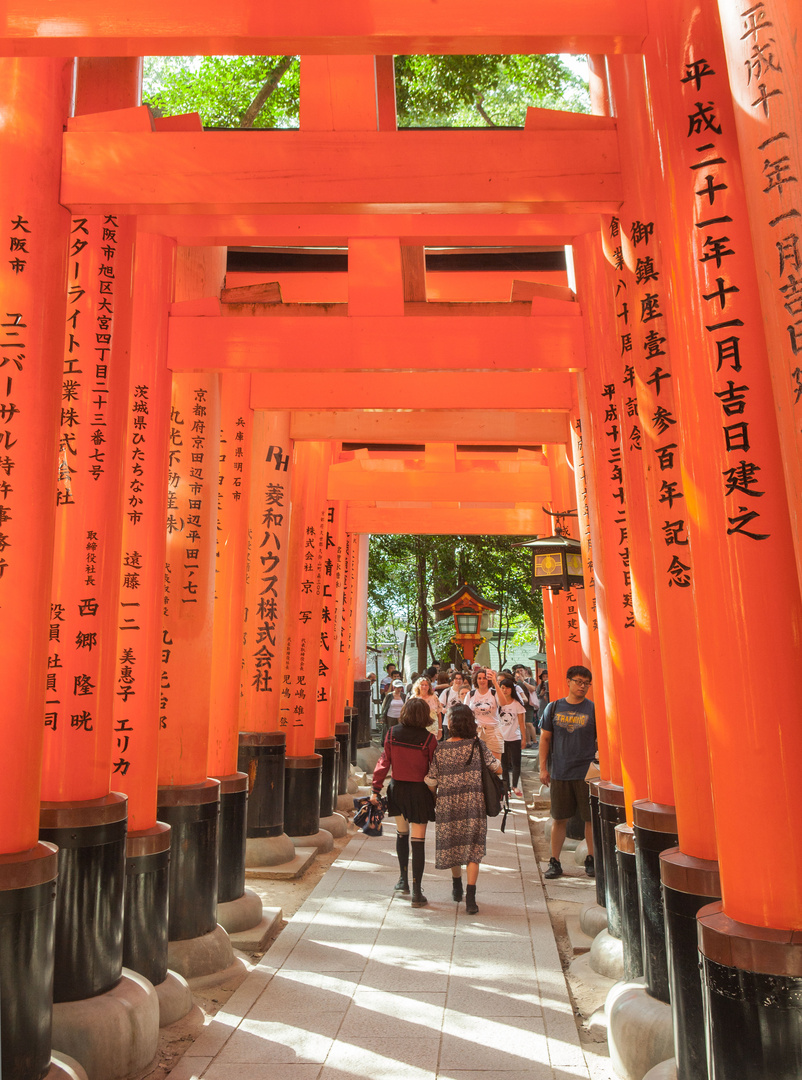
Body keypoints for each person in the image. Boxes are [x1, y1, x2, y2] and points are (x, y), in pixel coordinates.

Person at [425, 703, 503, 915]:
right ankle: (471, 897)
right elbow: (498, 768)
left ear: (451, 723)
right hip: (473, 803)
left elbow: (431, 780)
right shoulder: (477, 746)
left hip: (448, 805)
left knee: (454, 845)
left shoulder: (440, 749)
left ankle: (456, 886)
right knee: (473, 850)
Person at [371, 697, 438, 907]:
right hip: (420, 793)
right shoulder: (430, 739)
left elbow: (383, 763)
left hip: (397, 789)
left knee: (402, 834)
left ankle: (403, 880)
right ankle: (418, 891)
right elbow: (434, 770)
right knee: (418, 841)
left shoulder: (392, 734)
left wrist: (375, 789)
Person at [539, 665, 597, 879]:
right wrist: (543, 768)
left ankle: (591, 858)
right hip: (560, 771)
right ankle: (554, 861)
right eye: (578, 681)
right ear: (568, 681)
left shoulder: (592, 709)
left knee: (589, 819)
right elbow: (545, 738)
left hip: (586, 773)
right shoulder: (553, 708)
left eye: (586, 683)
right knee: (559, 818)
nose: (582, 686)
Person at [496, 677, 527, 796]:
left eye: (507, 688)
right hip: (501, 738)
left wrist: (524, 739)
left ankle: (515, 785)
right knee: (503, 764)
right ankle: (506, 788)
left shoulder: (517, 704)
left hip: (515, 737)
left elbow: (522, 723)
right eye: (502, 688)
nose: (504, 690)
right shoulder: (498, 703)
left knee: (516, 763)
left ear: (512, 689)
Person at [466, 668, 503, 761]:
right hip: (477, 731)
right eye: (479, 678)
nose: (482, 680)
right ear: (476, 680)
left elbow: (503, 703)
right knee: (477, 763)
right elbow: (465, 713)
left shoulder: (494, 693)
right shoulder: (470, 694)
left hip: (493, 731)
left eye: (484, 678)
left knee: (495, 764)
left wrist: (496, 684)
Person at [438, 671, 465, 740]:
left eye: (460, 679)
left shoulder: (466, 692)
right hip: (448, 722)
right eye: (456, 679)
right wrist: (443, 709)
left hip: (463, 722)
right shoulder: (447, 692)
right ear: (452, 680)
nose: (458, 681)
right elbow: (439, 705)